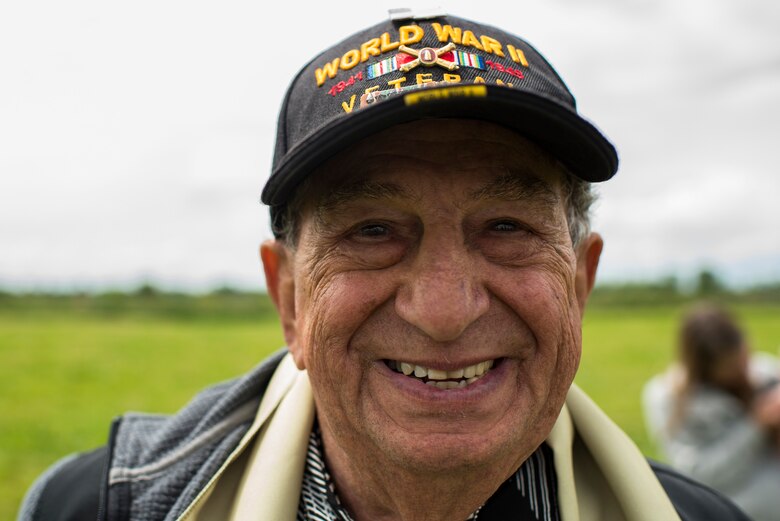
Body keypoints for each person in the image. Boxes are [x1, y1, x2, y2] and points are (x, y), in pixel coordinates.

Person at [19, 11, 750, 521]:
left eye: (505, 227)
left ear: (579, 285)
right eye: (372, 231)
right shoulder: (98, 508)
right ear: (290, 300)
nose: (445, 311)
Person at [643, 304, 780, 521]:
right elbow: (696, 474)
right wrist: (756, 426)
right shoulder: (670, 399)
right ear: (703, 368)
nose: (744, 371)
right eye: (732, 367)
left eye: (745, 359)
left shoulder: (766, 370)